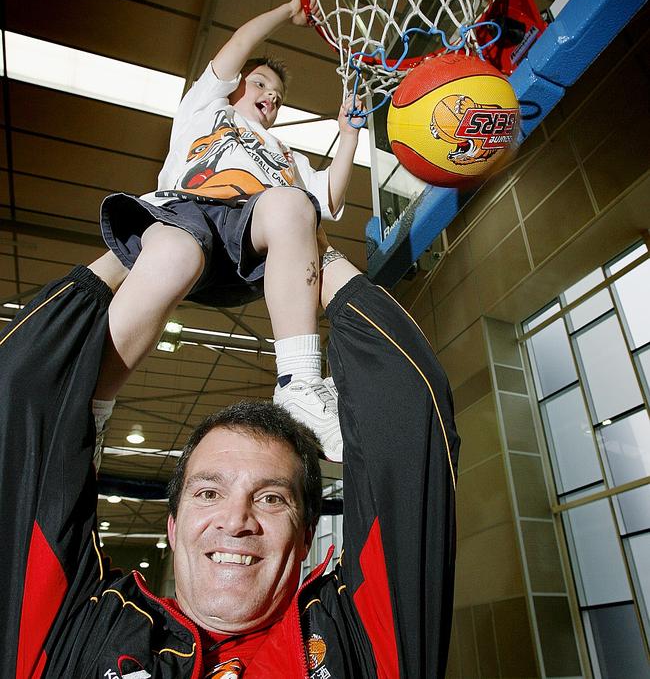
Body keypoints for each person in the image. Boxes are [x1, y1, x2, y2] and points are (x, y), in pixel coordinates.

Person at [0, 240, 459, 678]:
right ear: (173, 528)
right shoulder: (78, 632)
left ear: (305, 537)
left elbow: (410, 414)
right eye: (208, 492)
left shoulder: (358, 640)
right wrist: (143, 241)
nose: (236, 520)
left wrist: (306, 242)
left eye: (272, 499)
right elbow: (22, 407)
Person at [92, 0, 364, 462]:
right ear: (236, 86)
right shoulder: (206, 110)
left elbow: (331, 199)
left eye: (278, 99)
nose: (271, 99)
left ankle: (299, 384)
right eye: (260, 85)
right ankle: (92, 413)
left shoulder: (285, 154)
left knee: (295, 205)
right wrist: (287, 12)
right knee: (172, 258)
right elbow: (242, 41)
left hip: (247, 237)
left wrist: (350, 136)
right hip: (187, 211)